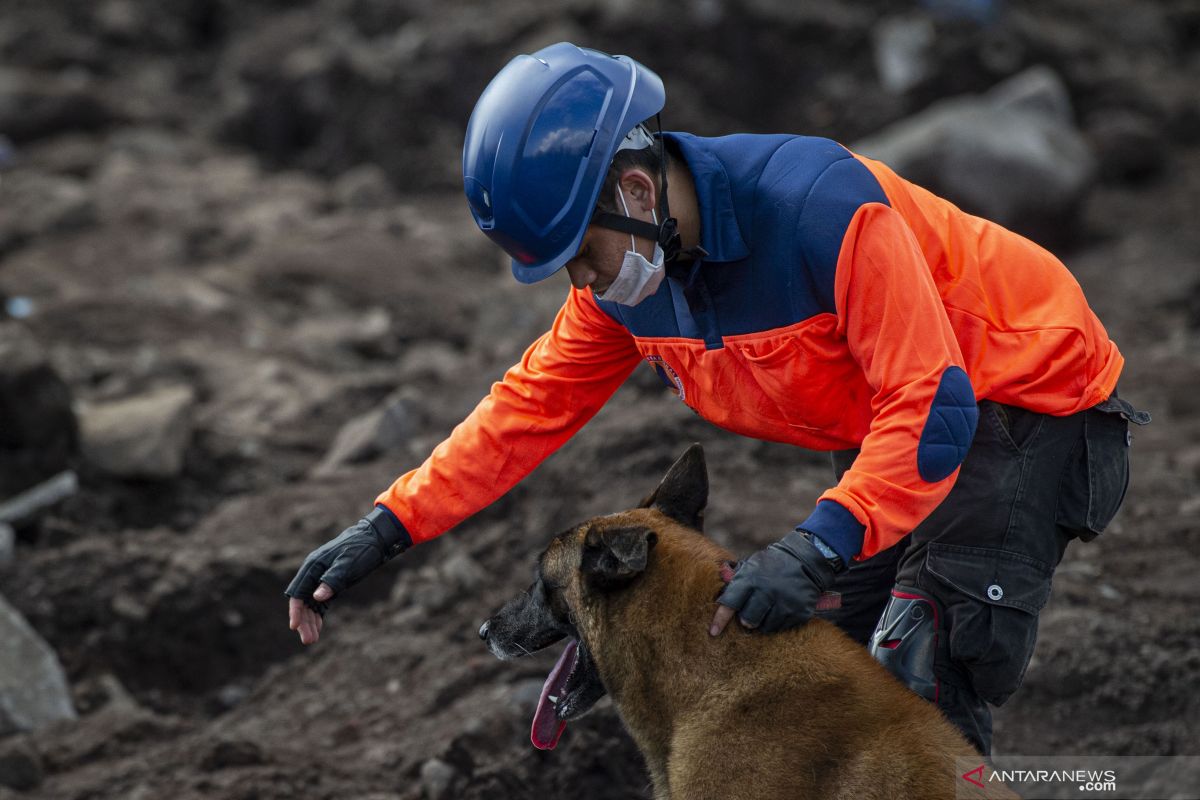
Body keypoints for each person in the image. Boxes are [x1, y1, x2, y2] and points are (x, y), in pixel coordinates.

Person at [285, 42, 1149, 755]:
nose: (580, 283)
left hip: (1026, 403)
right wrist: (390, 525)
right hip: (894, 428)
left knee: (916, 671)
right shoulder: (629, 282)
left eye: (580, 255)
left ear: (632, 191)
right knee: (829, 677)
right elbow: (528, 409)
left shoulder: (821, 212)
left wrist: (814, 548)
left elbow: (934, 410)